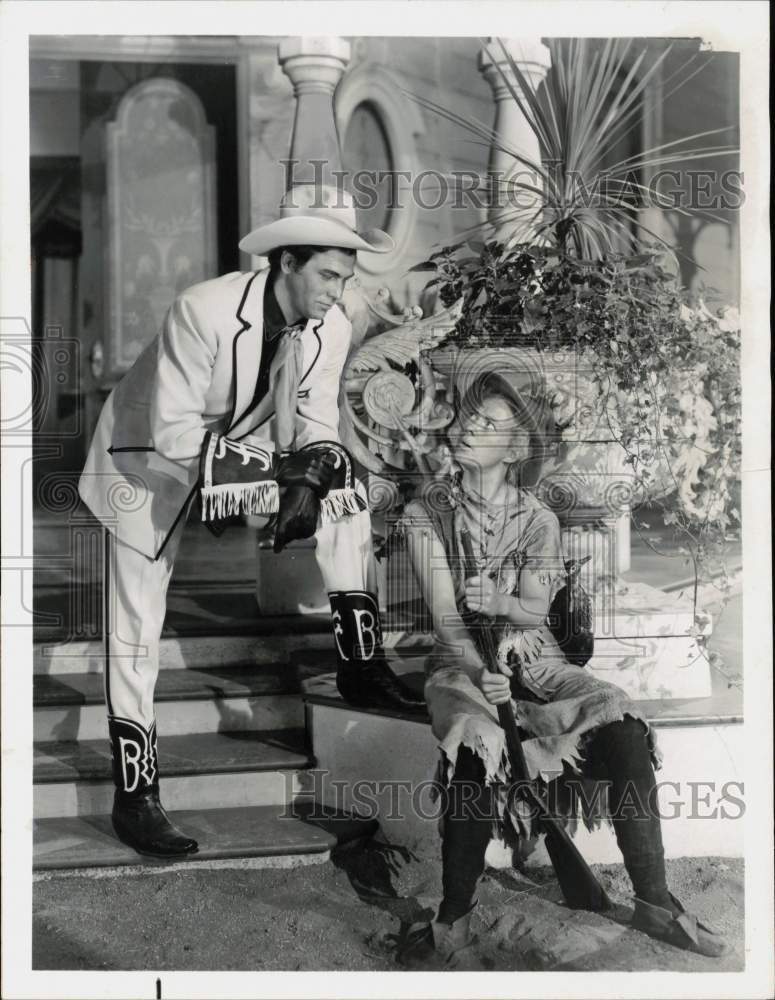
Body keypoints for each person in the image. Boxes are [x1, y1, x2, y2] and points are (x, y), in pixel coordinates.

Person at [78, 183, 424, 860]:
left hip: (241, 448)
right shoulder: (202, 309)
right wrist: (284, 474)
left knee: (346, 492)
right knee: (135, 621)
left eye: (346, 278)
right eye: (327, 274)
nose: (336, 292)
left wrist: (313, 474)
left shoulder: (333, 324)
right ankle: (136, 793)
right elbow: (175, 436)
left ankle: (359, 661)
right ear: (285, 263)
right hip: (141, 459)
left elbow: (318, 423)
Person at [394, 372, 728, 966]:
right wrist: (482, 671)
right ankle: (455, 917)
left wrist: (503, 613)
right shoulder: (427, 514)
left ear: (517, 449)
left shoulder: (539, 519)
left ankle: (654, 899)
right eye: (469, 418)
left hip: (540, 661)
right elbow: (447, 619)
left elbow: (536, 608)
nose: (471, 427)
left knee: (622, 723)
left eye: (490, 423)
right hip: (461, 667)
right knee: (476, 743)